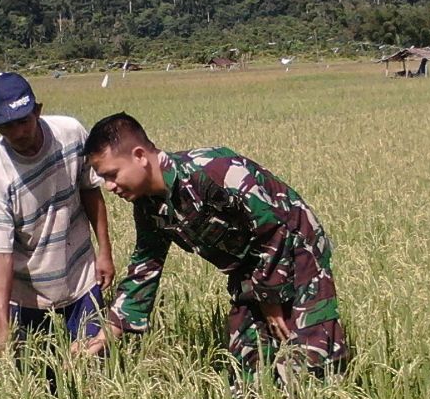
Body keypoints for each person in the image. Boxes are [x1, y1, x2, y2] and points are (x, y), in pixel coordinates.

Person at [77, 112, 348, 381]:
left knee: (310, 359)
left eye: (112, 175)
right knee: (249, 366)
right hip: (248, 268)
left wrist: (271, 300)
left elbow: (275, 229)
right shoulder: (149, 206)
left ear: (139, 156)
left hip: (297, 251)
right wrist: (104, 335)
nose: (110, 187)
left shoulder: (214, 170)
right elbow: (145, 266)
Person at [0, 72, 114, 356]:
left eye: (23, 121)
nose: (18, 133)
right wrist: (3, 329)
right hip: (30, 296)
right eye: (7, 126)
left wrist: (105, 252)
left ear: (38, 110)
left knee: (94, 364)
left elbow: (89, 191)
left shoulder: (71, 133)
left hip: (82, 277)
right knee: (40, 379)